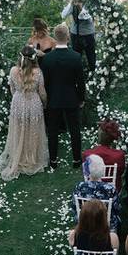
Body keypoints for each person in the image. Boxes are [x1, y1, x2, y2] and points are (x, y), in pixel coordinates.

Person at [0, 45, 49, 181]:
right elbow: (42, 92)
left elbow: (12, 89)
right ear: (34, 58)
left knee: (19, 130)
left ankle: (18, 157)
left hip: (18, 102)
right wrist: (44, 103)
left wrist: (18, 97)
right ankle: (31, 159)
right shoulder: (37, 72)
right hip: (33, 103)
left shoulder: (13, 70)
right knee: (33, 131)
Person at [41, 23, 86, 169]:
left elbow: (45, 83)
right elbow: (81, 82)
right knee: (74, 130)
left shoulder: (47, 59)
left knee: (52, 131)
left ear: (55, 37)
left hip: (53, 99)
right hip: (72, 99)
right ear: (67, 36)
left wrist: (47, 99)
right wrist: (81, 99)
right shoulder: (76, 57)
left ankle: (53, 161)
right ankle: (76, 160)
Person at [71, 154, 120, 231]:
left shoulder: (80, 187)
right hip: (104, 222)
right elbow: (116, 209)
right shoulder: (110, 189)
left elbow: (74, 207)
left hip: (85, 221)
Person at [81, 119, 126, 193]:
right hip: (112, 190)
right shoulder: (119, 155)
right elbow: (120, 172)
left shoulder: (87, 154)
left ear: (99, 136)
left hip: (91, 190)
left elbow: (86, 173)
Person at [61, 0, 96, 71]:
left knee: (91, 56)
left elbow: (88, 20)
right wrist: (71, 3)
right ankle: (77, 74)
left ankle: (93, 73)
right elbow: (63, 15)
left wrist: (80, 8)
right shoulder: (73, 4)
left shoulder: (90, 3)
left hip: (88, 34)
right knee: (76, 57)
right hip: (75, 34)